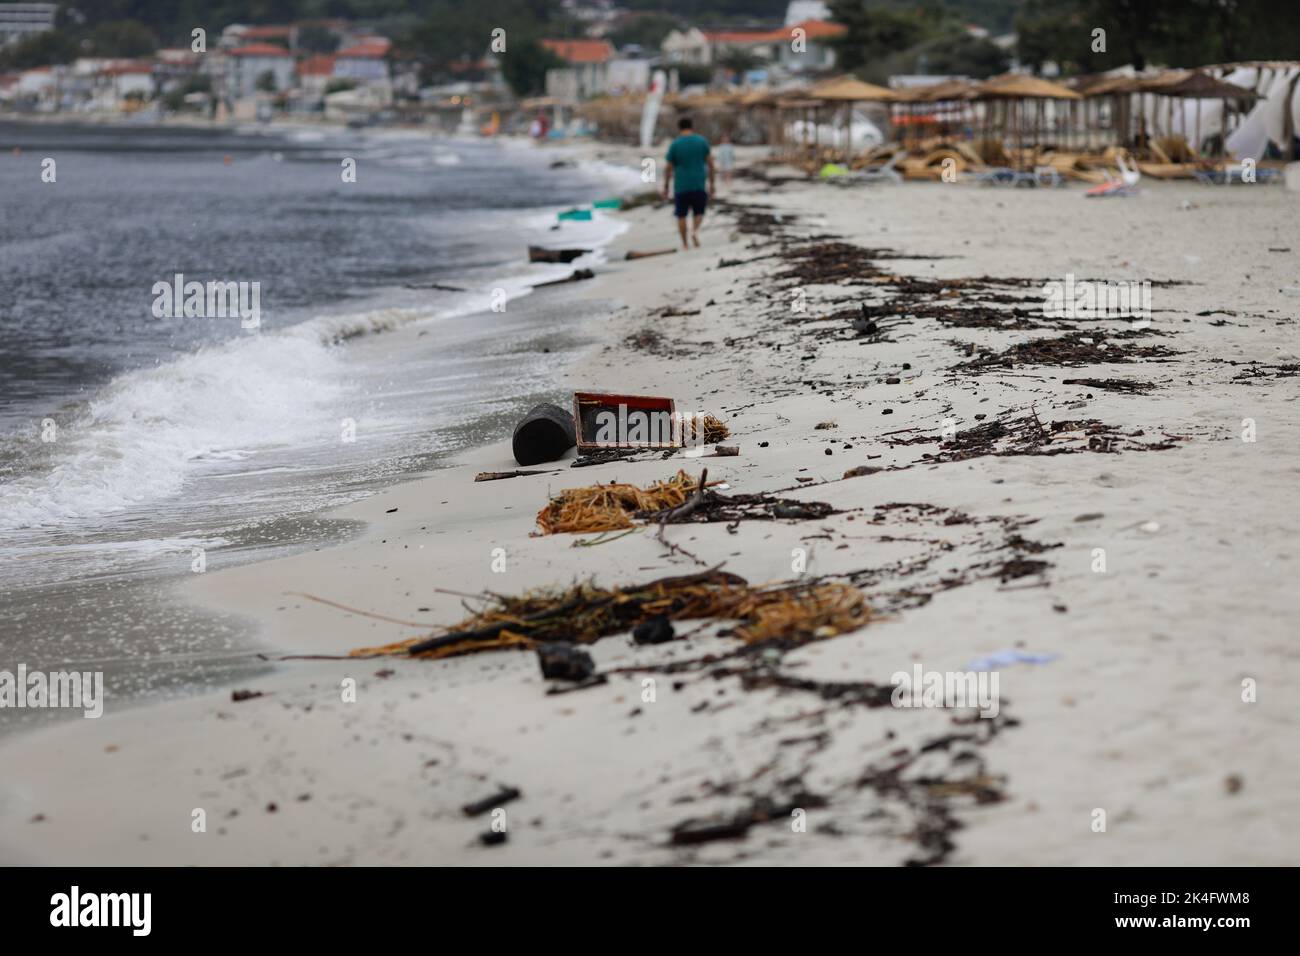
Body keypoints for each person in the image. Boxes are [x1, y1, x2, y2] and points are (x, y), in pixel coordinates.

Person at [661, 116, 715, 249]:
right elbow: (711, 164)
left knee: (681, 215)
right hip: (699, 183)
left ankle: (685, 244)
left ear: (679, 128)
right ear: (692, 127)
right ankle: (694, 231)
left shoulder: (675, 144)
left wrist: (666, 186)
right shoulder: (701, 141)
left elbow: (668, 168)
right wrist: (712, 183)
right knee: (699, 212)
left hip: (681, 185)